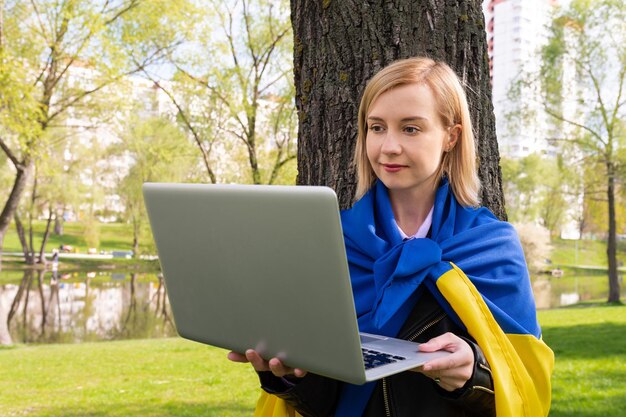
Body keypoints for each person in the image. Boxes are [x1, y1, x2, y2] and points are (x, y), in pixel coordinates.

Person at [228, 57, 554, 417]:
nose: (388, 147)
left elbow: (526, 388)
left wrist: (472, 374)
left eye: (410, 129)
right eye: (377, 127)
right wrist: (287, 378)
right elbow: (323, 402)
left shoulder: (492, 247)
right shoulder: (330, 244)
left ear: (451, 136)